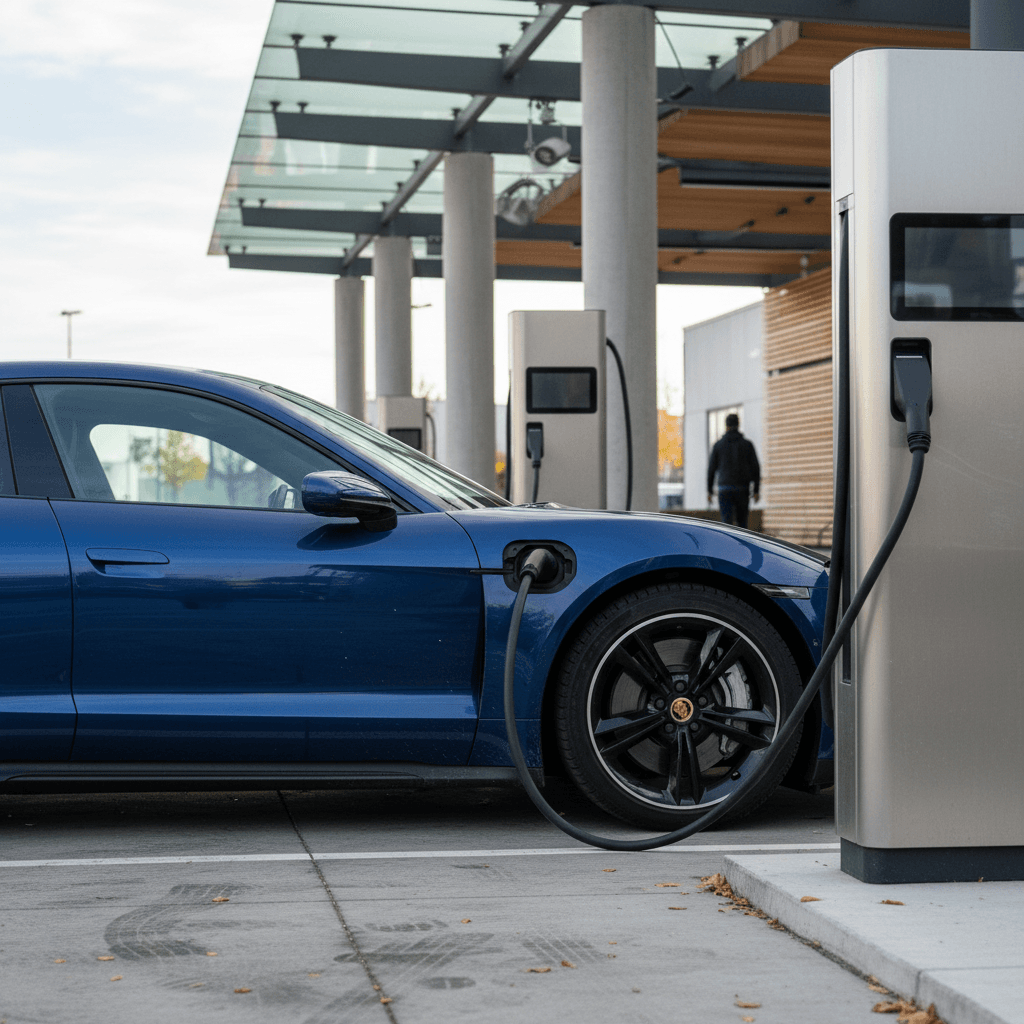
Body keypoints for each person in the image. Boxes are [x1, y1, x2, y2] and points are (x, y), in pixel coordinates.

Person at [707, 413, 761, 529]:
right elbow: (756, 468)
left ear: (726, 426)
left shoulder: (718, 445)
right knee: (742, 525)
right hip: (742, 489)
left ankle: (728, 546)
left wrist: (709, 491)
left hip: (724, 489)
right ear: (738, 425)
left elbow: (711, 469)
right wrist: (756, 490)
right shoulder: (747, 445)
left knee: (727, 525)